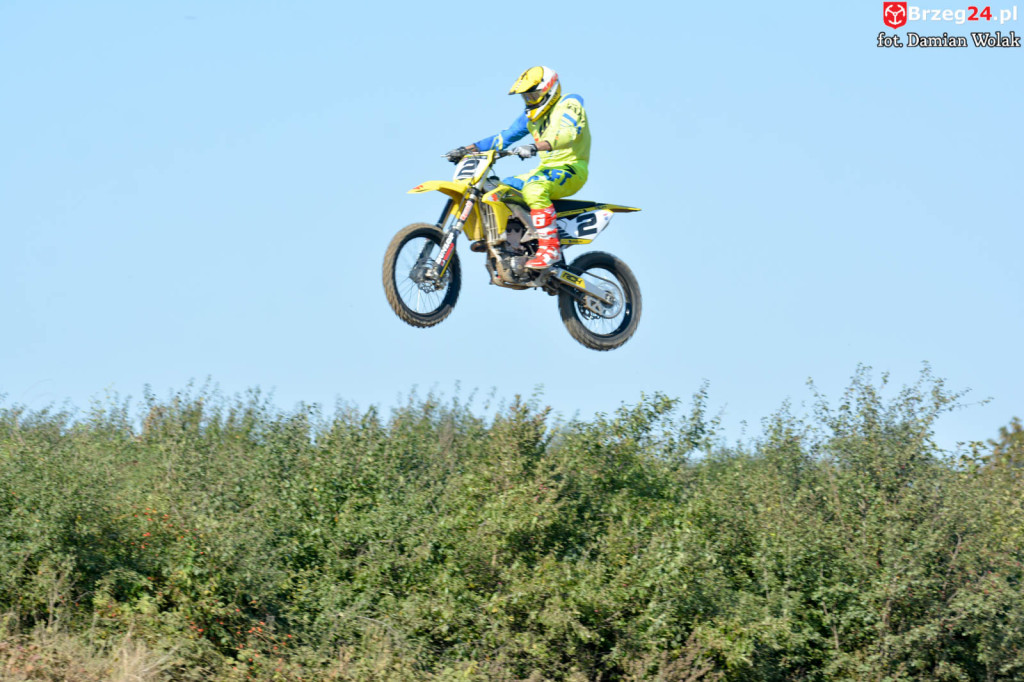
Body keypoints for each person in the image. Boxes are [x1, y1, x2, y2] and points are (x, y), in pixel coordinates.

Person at [445, 66, 590, 270]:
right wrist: (466, 149)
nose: (530, 100)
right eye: (526, 97)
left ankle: (550, 248)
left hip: (571, 168)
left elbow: (568, 134)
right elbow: (503, 138)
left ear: (550, 90)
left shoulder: (569, 104)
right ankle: (509, 241)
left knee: (534, 189)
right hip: (544, 171)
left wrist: (535, 146)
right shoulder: (531, 116)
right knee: (498, 190)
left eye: (534, 95)